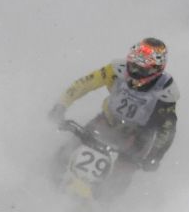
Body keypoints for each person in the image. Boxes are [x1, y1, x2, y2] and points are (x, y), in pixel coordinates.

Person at [48, 38, 177, 184]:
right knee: (68, 150)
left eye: (142, 68)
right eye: (133, 64)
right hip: (107, 122)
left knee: (120, 178)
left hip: (137, 136)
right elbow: (85, 83)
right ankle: (44, 180)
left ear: (156, 69)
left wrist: (155, 155)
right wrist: (61, 105)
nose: (134, 71)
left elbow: (167, 128)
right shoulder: (117, 70)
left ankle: (102, 204)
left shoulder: (165, 90)